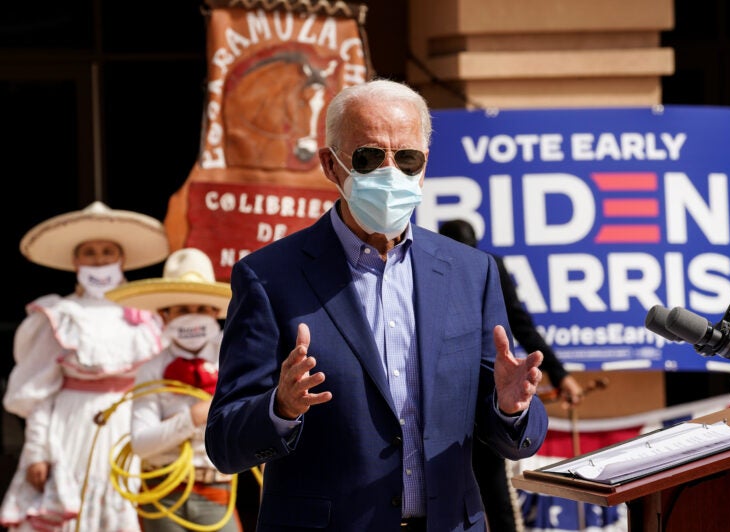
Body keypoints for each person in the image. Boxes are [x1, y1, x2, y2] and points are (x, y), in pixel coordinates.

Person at [204, 78, 549, 532]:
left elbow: (509, 430)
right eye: (370, 157)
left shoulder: (471, 272)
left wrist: (511, 407)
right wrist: (280, 408)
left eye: (407, 158)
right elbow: (225, 442)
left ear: (424, 166)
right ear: (331, 165)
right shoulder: (269, 278)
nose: (391, 173)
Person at [0, 201, 169, 531]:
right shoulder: (61, 315)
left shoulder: (147, 317)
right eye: (89, 252)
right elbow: (39, 392)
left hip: (131, 428)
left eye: (107, 251)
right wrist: (37, 451)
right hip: (71, 429)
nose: (99, 259)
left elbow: (160, 385)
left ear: (121, 258)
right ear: (76, 261)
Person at [439, 218, 584, 531]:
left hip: (485, 395)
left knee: (494, 492)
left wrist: (560, 375)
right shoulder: (425, 271)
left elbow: (519, 323)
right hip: (438, 399)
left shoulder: (488, 268)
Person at [105, 247, 242, 532]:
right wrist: (193, 418)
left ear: (216, 313)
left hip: (217, 491)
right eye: (182, 309)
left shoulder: (233, 361)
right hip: (162, 494)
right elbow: (141, 444)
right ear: (165, 315)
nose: (193, 316)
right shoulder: (151, 370)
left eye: (201, 309)